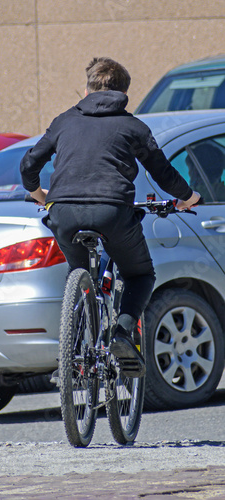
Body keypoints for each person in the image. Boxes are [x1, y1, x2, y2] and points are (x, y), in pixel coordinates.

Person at [20, 57, 200, 377]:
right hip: (112, 211)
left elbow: (29, 165)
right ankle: (121, 334)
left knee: (78, 271)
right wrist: (188, 197)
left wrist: (39, 195)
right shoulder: (133, 126)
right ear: (124, 92)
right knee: (139, 274)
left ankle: (74, 347)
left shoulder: (64, 121)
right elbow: (163, 172)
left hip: (62, 210)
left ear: (87, 87)